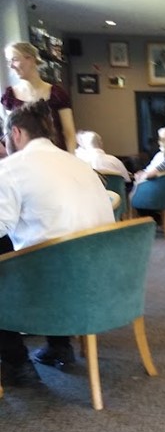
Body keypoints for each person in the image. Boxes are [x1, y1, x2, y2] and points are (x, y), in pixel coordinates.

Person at [0, 101, 114, 387]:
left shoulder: (12, 169)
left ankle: (16, 362)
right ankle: (59, 346)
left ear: (16, 133)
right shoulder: (81, 165)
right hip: (104, 282)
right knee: (50, 246)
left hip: (53, 288)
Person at [2, 42, 77, 153]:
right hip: (25, 161)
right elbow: (10, 135)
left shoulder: (57, 94)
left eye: (14, 59)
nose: (11, 65)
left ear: (30, 59)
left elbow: (69, 133)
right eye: (9, 61)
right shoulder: (10, 96)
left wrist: (71, 159)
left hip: (56, 157)